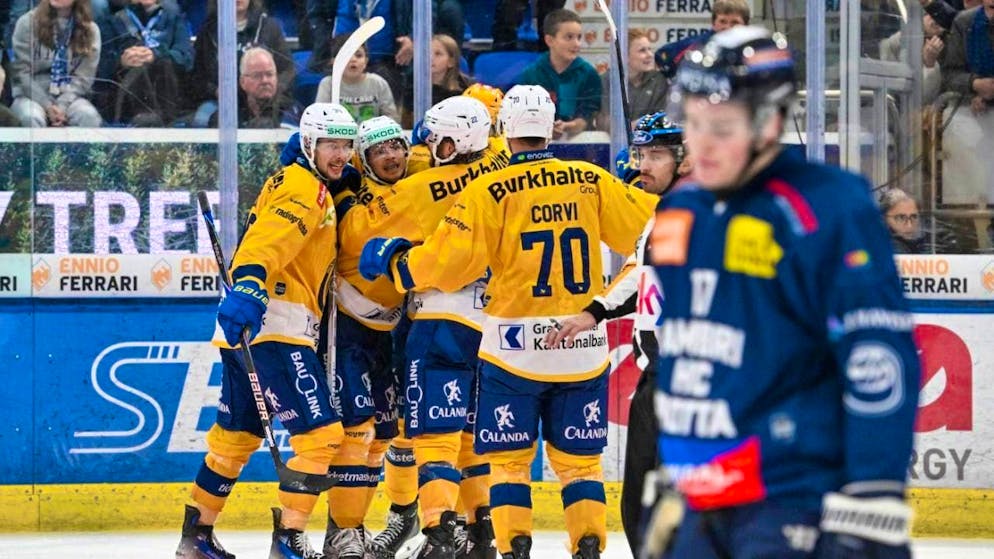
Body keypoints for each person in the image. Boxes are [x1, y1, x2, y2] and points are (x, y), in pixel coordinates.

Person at [640, 26, 919, 559]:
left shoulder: (829, 206)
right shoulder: (679, 214)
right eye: (693, 124)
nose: (702, 144)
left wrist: (874, 490)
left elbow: (877, 355)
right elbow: (691, 351)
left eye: (721, 127)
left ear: (768, 122)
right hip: (703, 497)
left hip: (794, 497)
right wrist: (678, 473)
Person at [358, 85, 658, 559]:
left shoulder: (489, 190)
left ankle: (514, 547)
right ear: (552, 126)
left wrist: (399, 265)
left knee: (510, 463)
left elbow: (447, 265)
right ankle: (588, 546)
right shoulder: (591, 179)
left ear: (504, 129)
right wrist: (641, 187)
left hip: (514, 349)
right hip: (581, 346)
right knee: (581, 465)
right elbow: (655, 231)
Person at [175, 102, 360, 559]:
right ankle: (289, 541)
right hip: (277, 327)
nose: (341, 154)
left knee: (235, 438)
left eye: (346, 145)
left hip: (251, 332)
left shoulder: (299, 180)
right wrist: (250, 283)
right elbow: (266, 241)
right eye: (330, 145)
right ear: (308, 145)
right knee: (321, 437)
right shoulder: (305, 189)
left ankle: (196, 538)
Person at [338, 96, 510, 559]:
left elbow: (353, 237)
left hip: (436, 313)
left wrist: (344, 192)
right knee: (469, 433)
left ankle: (433, 529)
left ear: (453, 143)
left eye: (435, 140)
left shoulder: (419, 190)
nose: (420, 147)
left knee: (424, 431)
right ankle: (479, 532)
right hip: (494, 318)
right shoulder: (501, 159)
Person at [544, 112, 687, 557]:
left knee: (674, 509)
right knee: (640, 505)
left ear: (686, 159)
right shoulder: (663, 212)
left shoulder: (710, 214)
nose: (643, 165)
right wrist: (593, 313)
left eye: (656, 155)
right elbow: (640, 277)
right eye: (641, 154)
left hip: (692, 382)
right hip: (654, 378)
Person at [187, 0, 295, 128]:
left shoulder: (269, 27)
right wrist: (215, 91)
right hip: (221, 102)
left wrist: (270, 90)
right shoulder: (208, 31)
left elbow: (287, 70)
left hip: (267, 102)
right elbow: (198, 76)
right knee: (202, 121)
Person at [10, 0, 102, 127]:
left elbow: (84, 78)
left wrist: (62, 106)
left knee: (88, 116)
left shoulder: (91, 30)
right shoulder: (27, 23)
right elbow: (21, 74)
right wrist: (47, 106)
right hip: (31, 96)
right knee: (31, 117)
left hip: (71, 97)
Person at [99, 0, 192, 125]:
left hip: (167, 91)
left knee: (163, 63)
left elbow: (186, 58)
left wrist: (156, 55)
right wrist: (121, 62)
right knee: (139, 68)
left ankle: (160, 120)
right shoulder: (112, 22)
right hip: (127, 97)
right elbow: (101, 67)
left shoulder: (174, 20)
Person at [516, 9, 601, 139]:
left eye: (579, 37)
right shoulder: (531, 74)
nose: (576, 44)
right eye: (569, 37)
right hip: (537, 138)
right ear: (549, 40)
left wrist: (567, 126)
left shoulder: (589, 74)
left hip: (579, 138)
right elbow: (523, 114)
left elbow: (588, 116)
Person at [654, 0, 750, 79]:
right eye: (722, 21)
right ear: (713, 23)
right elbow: (661, 55)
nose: (728, 27)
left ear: (746, 25)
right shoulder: (696, 45)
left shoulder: (754, 50)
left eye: (735, 22)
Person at [316, 35, 399, 123]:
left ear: (366, 61)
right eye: (346, 55)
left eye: (359, 55)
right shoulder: (328, 84)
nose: (353, 59)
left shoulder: (378, 83)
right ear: (334, 62)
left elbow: (391, 118)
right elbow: (319, 118)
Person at [597, 30, 669, 132]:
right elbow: (605, 124)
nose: (650, 55)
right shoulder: (607, 81)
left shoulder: (658, 81)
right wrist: (636, 126)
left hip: (650, 140)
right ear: (624, 56)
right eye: (642, 51)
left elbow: (662, 121)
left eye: (649, 49)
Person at [212, 46, 301, 128]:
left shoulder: (292, 112)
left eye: (269, 74)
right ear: (242, 82)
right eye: (257, 76)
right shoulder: (226, 116)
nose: (265, 80)